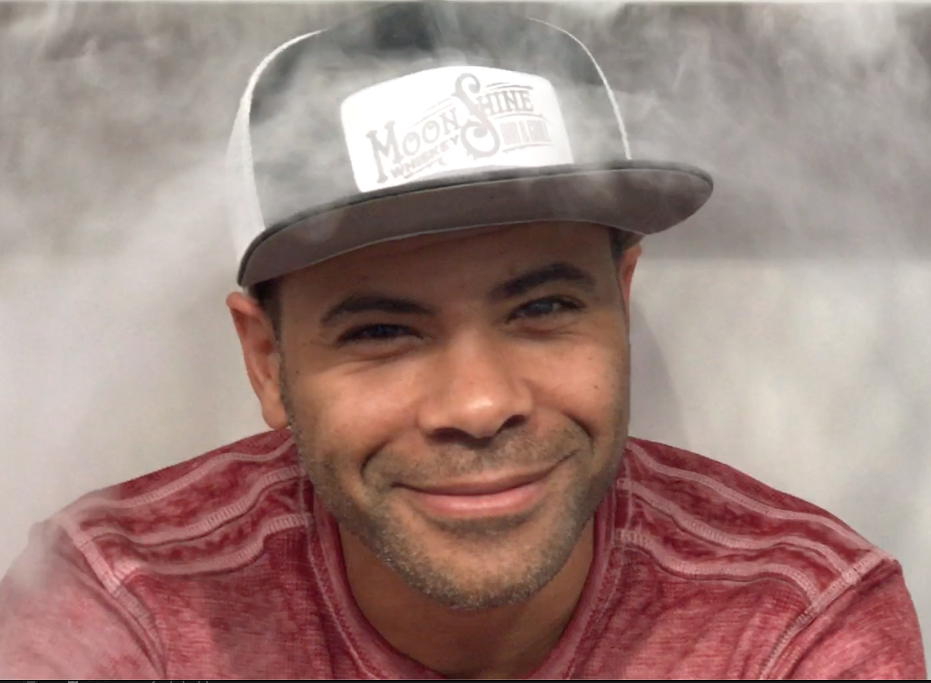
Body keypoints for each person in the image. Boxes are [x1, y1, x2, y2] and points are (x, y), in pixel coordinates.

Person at [0, 1, 925, 679]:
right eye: (381, 330)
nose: (479, 405)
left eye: (544, 309)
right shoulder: (121, 600)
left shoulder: (796, 625)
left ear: (621, 299)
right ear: (269, 362)